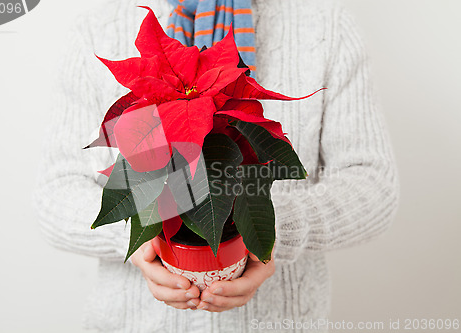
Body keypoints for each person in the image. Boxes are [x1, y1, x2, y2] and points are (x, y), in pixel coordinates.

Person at [34, 0, 400, 332]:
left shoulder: (326, 28)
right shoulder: (96, 29)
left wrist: (267, 233)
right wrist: (143, 241)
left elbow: (373, 184)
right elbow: (55, 193)